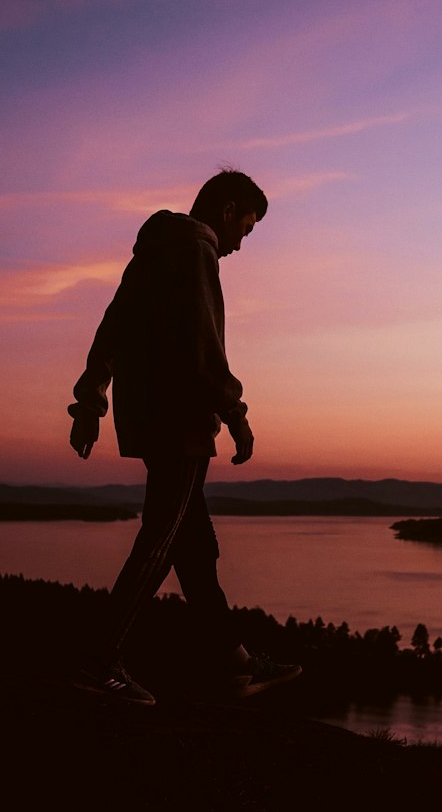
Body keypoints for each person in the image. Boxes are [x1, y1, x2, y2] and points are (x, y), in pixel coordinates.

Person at [67, 168, 301, 704]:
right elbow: (203, 346)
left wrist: (91, 400)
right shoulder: (196, 247)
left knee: (196, 549)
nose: (242, 244)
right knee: (160, 541)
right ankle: (96, 663)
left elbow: (112, 326)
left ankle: (233, 664)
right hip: (180, 421)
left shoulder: (152, 251)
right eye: (246, 226)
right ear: (226, 211)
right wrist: (236, 412)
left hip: (149, 417)